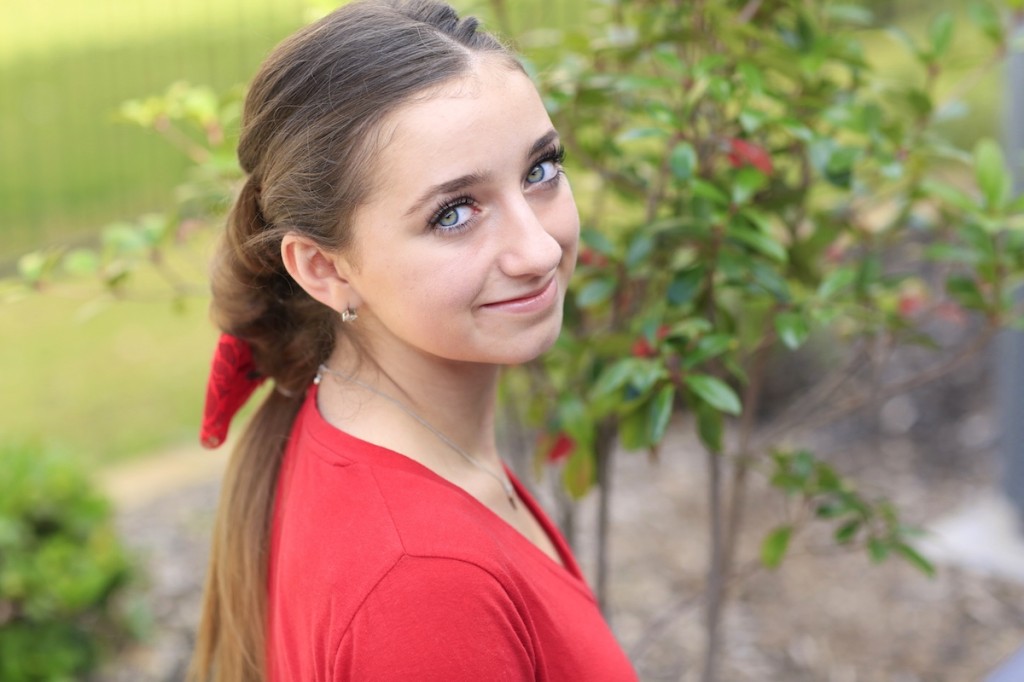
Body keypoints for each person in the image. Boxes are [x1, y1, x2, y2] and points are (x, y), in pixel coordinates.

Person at [189, 1, 638, 680]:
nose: (539, 249)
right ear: (324, 268)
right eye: (455, 212)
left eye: (541, 170)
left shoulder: (370, 438)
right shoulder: (425, 587)